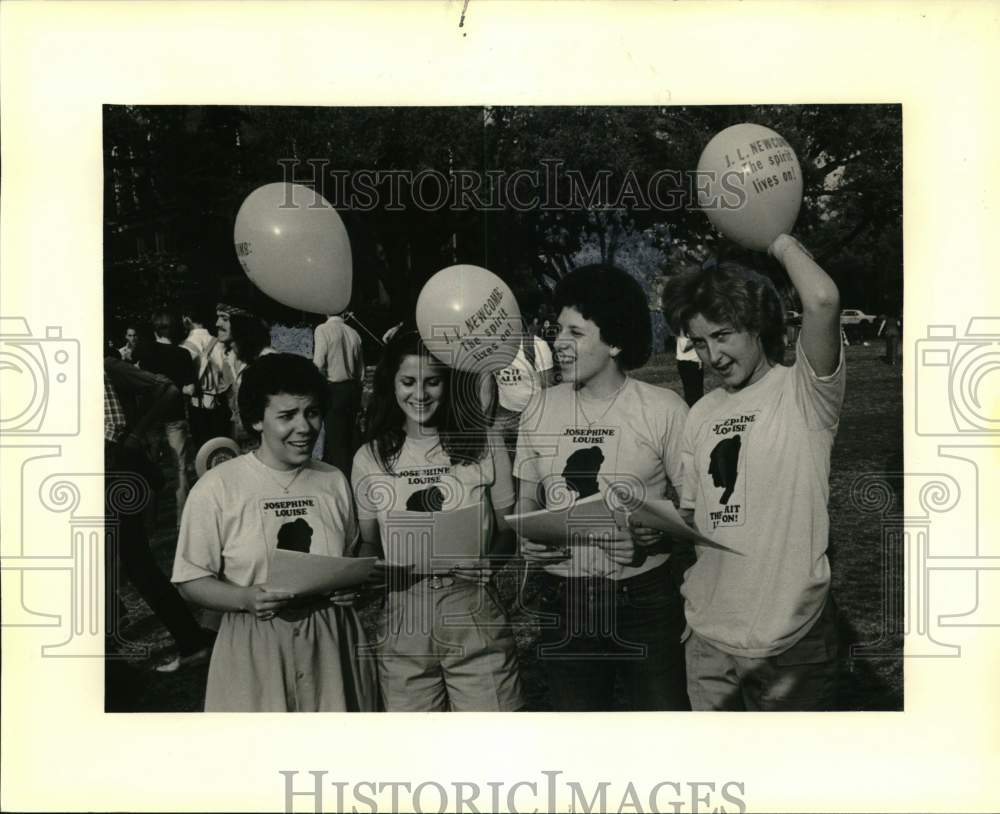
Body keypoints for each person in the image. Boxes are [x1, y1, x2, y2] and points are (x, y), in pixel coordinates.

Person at [661, 234, 844, 711]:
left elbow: (823, 300)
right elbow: (697, 519)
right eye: (699, 343)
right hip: (708, 639)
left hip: (789, 641)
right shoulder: (700, 412)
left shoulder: (805, 394)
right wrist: (652, 526)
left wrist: (775, 236)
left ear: (758, 328)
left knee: (790, 783)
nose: (712, 356)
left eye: (723, 335)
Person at [513, 264, 690, 711]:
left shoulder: (664, 409)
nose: (559, 343)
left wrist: (661, 530)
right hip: (564, 600)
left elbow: (696, 508)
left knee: (663, 740)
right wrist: (529, 543)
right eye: (557, 330)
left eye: (575, 332)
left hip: (645, 599)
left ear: (613, 340)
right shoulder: (537, 409)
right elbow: (525, 509)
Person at [171, 353, 378, 712]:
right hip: (254, 640)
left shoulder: (332, 480)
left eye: (312, 412)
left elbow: (350, 556)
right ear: (255, 420)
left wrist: (353, 586)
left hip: (330, 641)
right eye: (286, 416)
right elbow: (190, 579)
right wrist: (245, 598)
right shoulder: (218, 487)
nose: (305, 427)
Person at [351, 329, 524, 712]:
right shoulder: (371, 456)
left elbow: (508, 529)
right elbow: (368, 544)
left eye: (432, 382)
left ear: (448, 384)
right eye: (408, 382)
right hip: (403, 613)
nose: (420, 394)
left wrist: (491, 562)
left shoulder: (484, 441)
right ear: (391, 385)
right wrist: (370, 570)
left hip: (472, 605)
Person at [104, 351, 214, 673]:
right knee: (131, 562)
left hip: (112, 469)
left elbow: (167, 388)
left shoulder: (104, 365)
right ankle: (189, 639)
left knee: (132, 560)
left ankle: (187, 640)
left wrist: (137, 433)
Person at [137, 311, 197, 526]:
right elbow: (189, 389)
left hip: (151, 417)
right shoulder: (182, 354)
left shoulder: (144, 353)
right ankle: (183, 518)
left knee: (152, 467)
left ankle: (150, 520)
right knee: (180, 467)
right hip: (175, 415)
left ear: (155, 330)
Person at [313, 311, 364, 476]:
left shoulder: (322, 329)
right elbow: (360, 371)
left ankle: (342, 483)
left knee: (336, 442)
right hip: (352, 389)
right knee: (349, 439)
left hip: (333, 389)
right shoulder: (353, 332)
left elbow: (319, 363)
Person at [491, 331, 555, 456]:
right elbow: (487, 384)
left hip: (534, 414)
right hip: (504, 412)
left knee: (534, 462)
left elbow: (549, 389)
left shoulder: (535, 345)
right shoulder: (488, 347)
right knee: (501, 460)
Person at [180, 305, 232, 450]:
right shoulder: (219, 343)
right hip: (220, 402)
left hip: (197, 404)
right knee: (221, 448)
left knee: (202, 451)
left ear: (187, 319)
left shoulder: (186, 346)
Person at [226, 311, 276, 449]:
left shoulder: (268, 360)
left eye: (233, 340)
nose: (231, 345)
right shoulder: (240, 358)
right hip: (245, 433)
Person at [673, 329, 704, 407]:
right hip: (688, 364)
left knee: (698, 393)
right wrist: (699, 338)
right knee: (691, 393)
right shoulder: (683, 328)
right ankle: (692, 413)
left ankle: (698, 412)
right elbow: (684, 347)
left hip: (697, 363)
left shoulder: (693, 328)